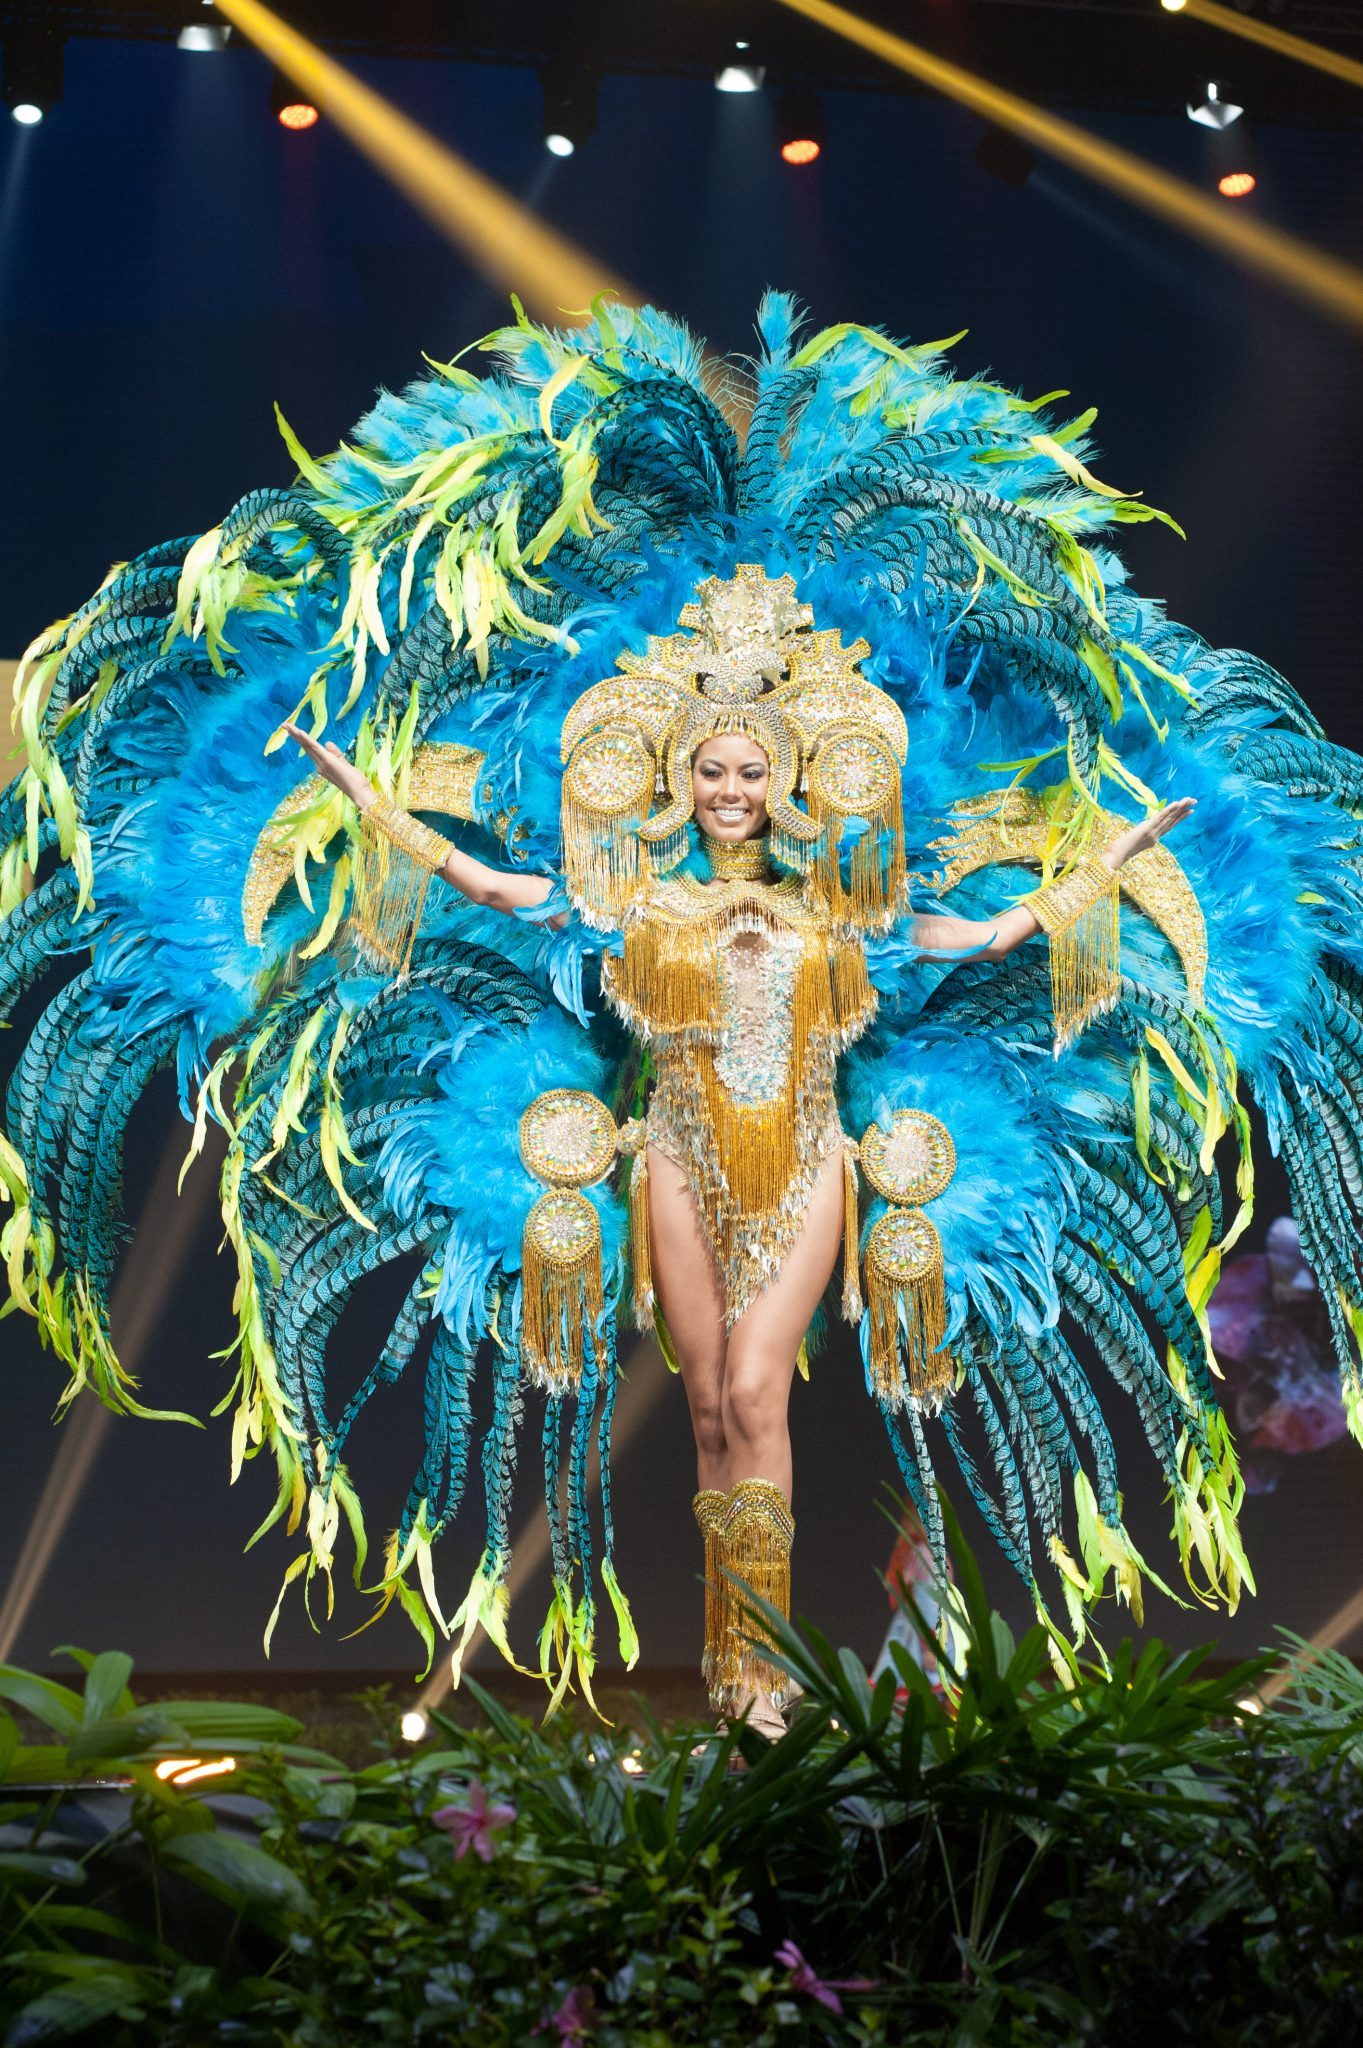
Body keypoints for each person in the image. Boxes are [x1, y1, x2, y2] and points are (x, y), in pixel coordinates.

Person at [284, 669, 1193, 1737]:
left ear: (783, 785)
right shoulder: (638, 904)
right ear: (680, 781)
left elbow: (993, 936)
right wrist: (370, 802)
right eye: (711, 770)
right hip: (675, 1160)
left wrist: (1110, 861)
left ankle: (768, 1669)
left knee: (760, 1391)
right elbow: (490, 889)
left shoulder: (845, 908)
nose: (729, 789)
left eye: (751, 772)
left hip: (805, 1164)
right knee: (712, 1408)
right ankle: (731, 1672)